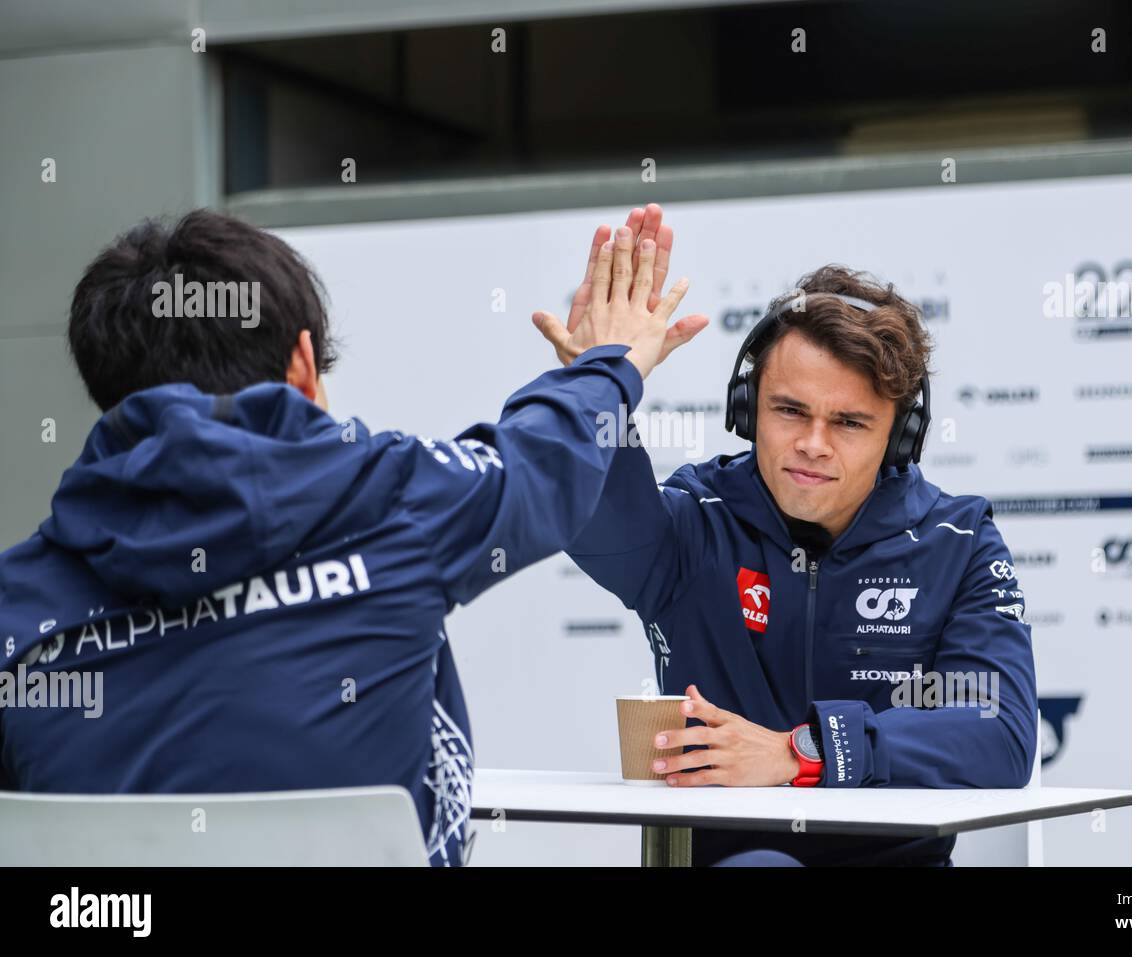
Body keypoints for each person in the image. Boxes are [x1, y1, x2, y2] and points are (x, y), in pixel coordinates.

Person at [0, 206, 699, 866]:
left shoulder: (18, 600)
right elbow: (541, 462)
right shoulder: (392, 498)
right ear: (303, 364)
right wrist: (606, 365)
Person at [535, 223, 1039, 866]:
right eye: (790, 411)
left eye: (849, 422)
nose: (813, 445)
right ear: (748, 410)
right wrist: (598, 385)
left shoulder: (958, 542)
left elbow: (1000, 732)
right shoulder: (697, 521)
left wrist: (800, 751)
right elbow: (595, 520)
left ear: (900, 436)